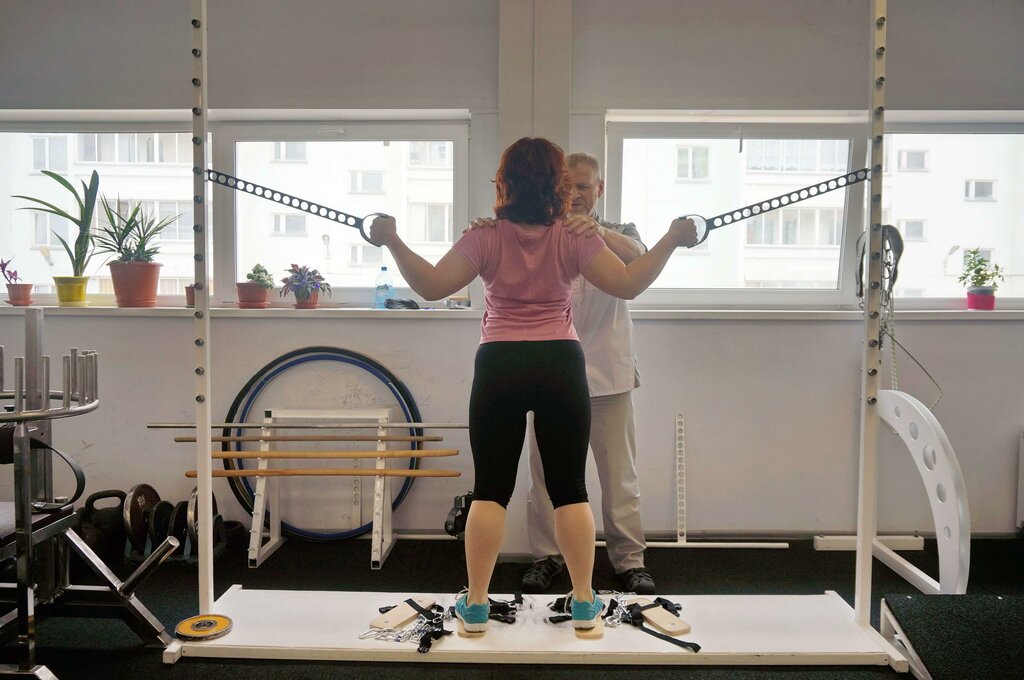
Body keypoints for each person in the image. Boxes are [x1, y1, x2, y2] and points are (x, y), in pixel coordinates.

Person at [368, 137, 696, 635]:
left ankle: (476, 605)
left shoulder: (485, 236)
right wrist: (671, 239)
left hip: (500, 363)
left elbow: (432, 286)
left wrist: (392, 239)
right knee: (570, 491)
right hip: (559, 363)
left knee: (490, 491)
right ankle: (583, 603)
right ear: (557, 184)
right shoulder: (574, 235)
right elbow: (630, 283)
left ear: (504, 183)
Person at [522, 151, 655, 595]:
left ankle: (629, 561)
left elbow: (640, 258)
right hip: (550, 375)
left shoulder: (620, 231)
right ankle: (547, 556)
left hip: (608, 374)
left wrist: (597, 232)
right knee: (546, 477)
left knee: (619, 477)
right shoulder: (541, 231)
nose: (575, 194)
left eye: (584, 186)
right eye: (567, 186)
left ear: (599, 188)